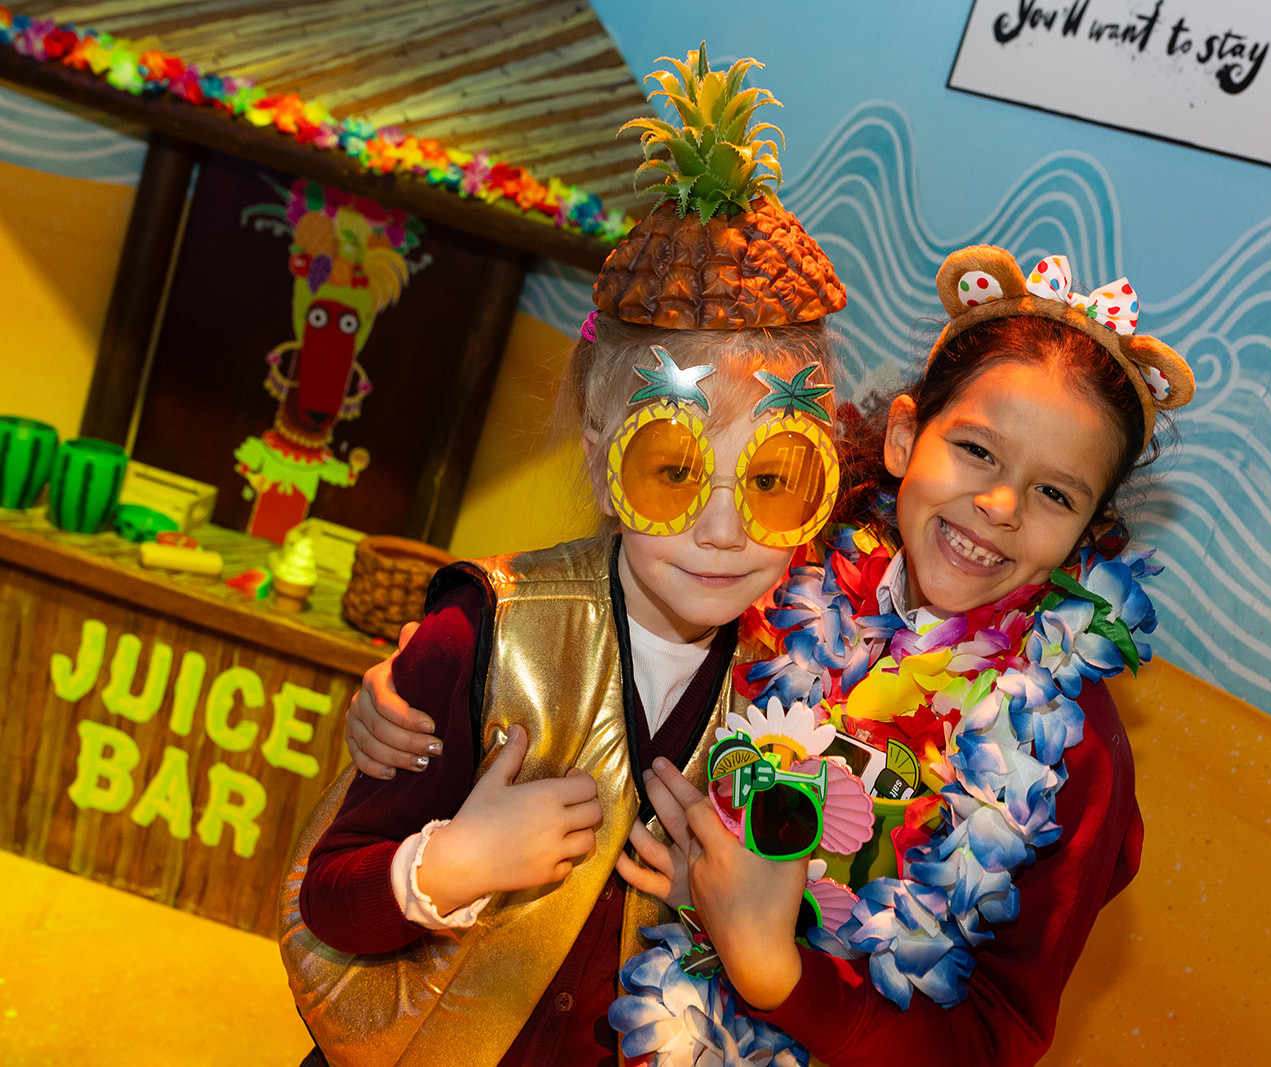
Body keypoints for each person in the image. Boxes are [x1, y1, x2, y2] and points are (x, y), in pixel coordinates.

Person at [347, 245, 1195, 1065]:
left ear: (1091, 528)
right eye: (976, 448)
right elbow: (606, 611)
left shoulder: (1070, 755)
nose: (1001, 504)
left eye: (1055, 492)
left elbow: (990, 1038)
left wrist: (773, 969)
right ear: (904, 439)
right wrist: (437, 673)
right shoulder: (782, 566)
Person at [278, 45, 853, 1067]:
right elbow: (327, 901)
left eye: (770, 479)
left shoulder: (809, 670)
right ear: (601, 459)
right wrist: (453, 861)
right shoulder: (476, 634)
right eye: (674, 470)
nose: (723, 530)